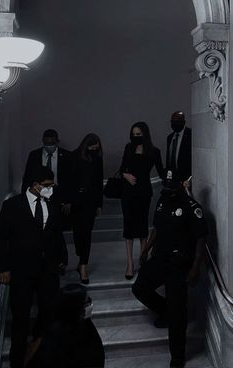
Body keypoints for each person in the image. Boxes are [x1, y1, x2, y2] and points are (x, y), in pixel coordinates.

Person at [132, 170, 208, 368]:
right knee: (139, 288)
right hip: (160, 259)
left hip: (180, 265)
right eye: (166, 184)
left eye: (171, 185)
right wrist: (145, 249)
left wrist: (195, 268)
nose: (167, 188)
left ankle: (178, 356)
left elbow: (201, 239)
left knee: (178, 313)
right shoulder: (163, 200)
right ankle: (162, 310)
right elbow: (156, 228)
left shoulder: (192, 207)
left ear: (181, 184)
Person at [0, 166, 68, 368]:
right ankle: (17, 361)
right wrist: (3, 268)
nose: (50, 189)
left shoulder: (52, 204)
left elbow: (57, 234)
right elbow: (1, 239)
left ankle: (39, 351)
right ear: (35, 185)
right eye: (47, 185)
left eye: (52, 185)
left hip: (48, 270)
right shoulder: (12, 205)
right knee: (20, 318)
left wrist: (62, 259)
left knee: (49, 312)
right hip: (21, 272)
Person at [120, 121, 164, 280]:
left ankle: (143, 261)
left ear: (145, 134)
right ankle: (130, 264)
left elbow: (162, 172)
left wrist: (178, 181)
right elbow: (122, 168)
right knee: (129, 228)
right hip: (127, 192)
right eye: (133, 134)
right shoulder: (128, 147)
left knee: (142, 228)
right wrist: (125, 175)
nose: (135, 136)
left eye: (138, 134)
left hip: (144, 192)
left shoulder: (154, 151)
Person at [24, 283, 105, 368]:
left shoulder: (86, 326)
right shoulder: (54, 336)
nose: (90, 304)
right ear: (75, 307)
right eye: (86, 302)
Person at [63, 133, 103, 284]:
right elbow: (67, 181)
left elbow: (99, 183)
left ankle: (84, 264)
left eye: (96, 147)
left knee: (86, 234)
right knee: (78, 233)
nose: (94, 149)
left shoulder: (97, 160)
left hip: (90, 203)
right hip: (75, 202)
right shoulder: (73, 158)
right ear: (86, 146)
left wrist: (99, 204)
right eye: (92, 147)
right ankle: (81, 260)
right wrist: (68, 201)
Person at [22, 129, 71, 198]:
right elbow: (27, 176)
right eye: (47, 144)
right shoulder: (35, 155)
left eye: (51, 144)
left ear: (57, 142)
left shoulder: (67, 156)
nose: (49, 146)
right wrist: (24, 196)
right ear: (43, 141)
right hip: (39, 193)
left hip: (60, 193)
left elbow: (70, 179)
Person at [166, 111, 191, 187]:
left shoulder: (191, 135)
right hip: (173, 180)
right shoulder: (170, 137)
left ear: (183, 121)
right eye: (173, 121)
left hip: (186, 181)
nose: (175, 123)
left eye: (178, 121)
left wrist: (190, 179)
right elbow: (168, 160)